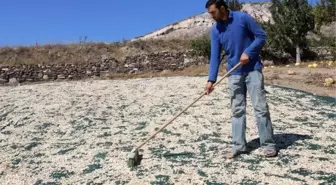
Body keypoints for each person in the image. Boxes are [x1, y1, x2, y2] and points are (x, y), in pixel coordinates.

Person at [204, 0, 277, 158]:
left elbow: (261, 36)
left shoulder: (242, 18)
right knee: (237, 111)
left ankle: (269, 144)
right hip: (234, 74)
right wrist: (211, 79)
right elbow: (215, 57)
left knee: (260, 108)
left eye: (212, 12)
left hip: (253, 70)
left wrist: (249, 52)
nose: (211, 16)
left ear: (222, 8)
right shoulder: (215, 30)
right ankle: (239, 146)